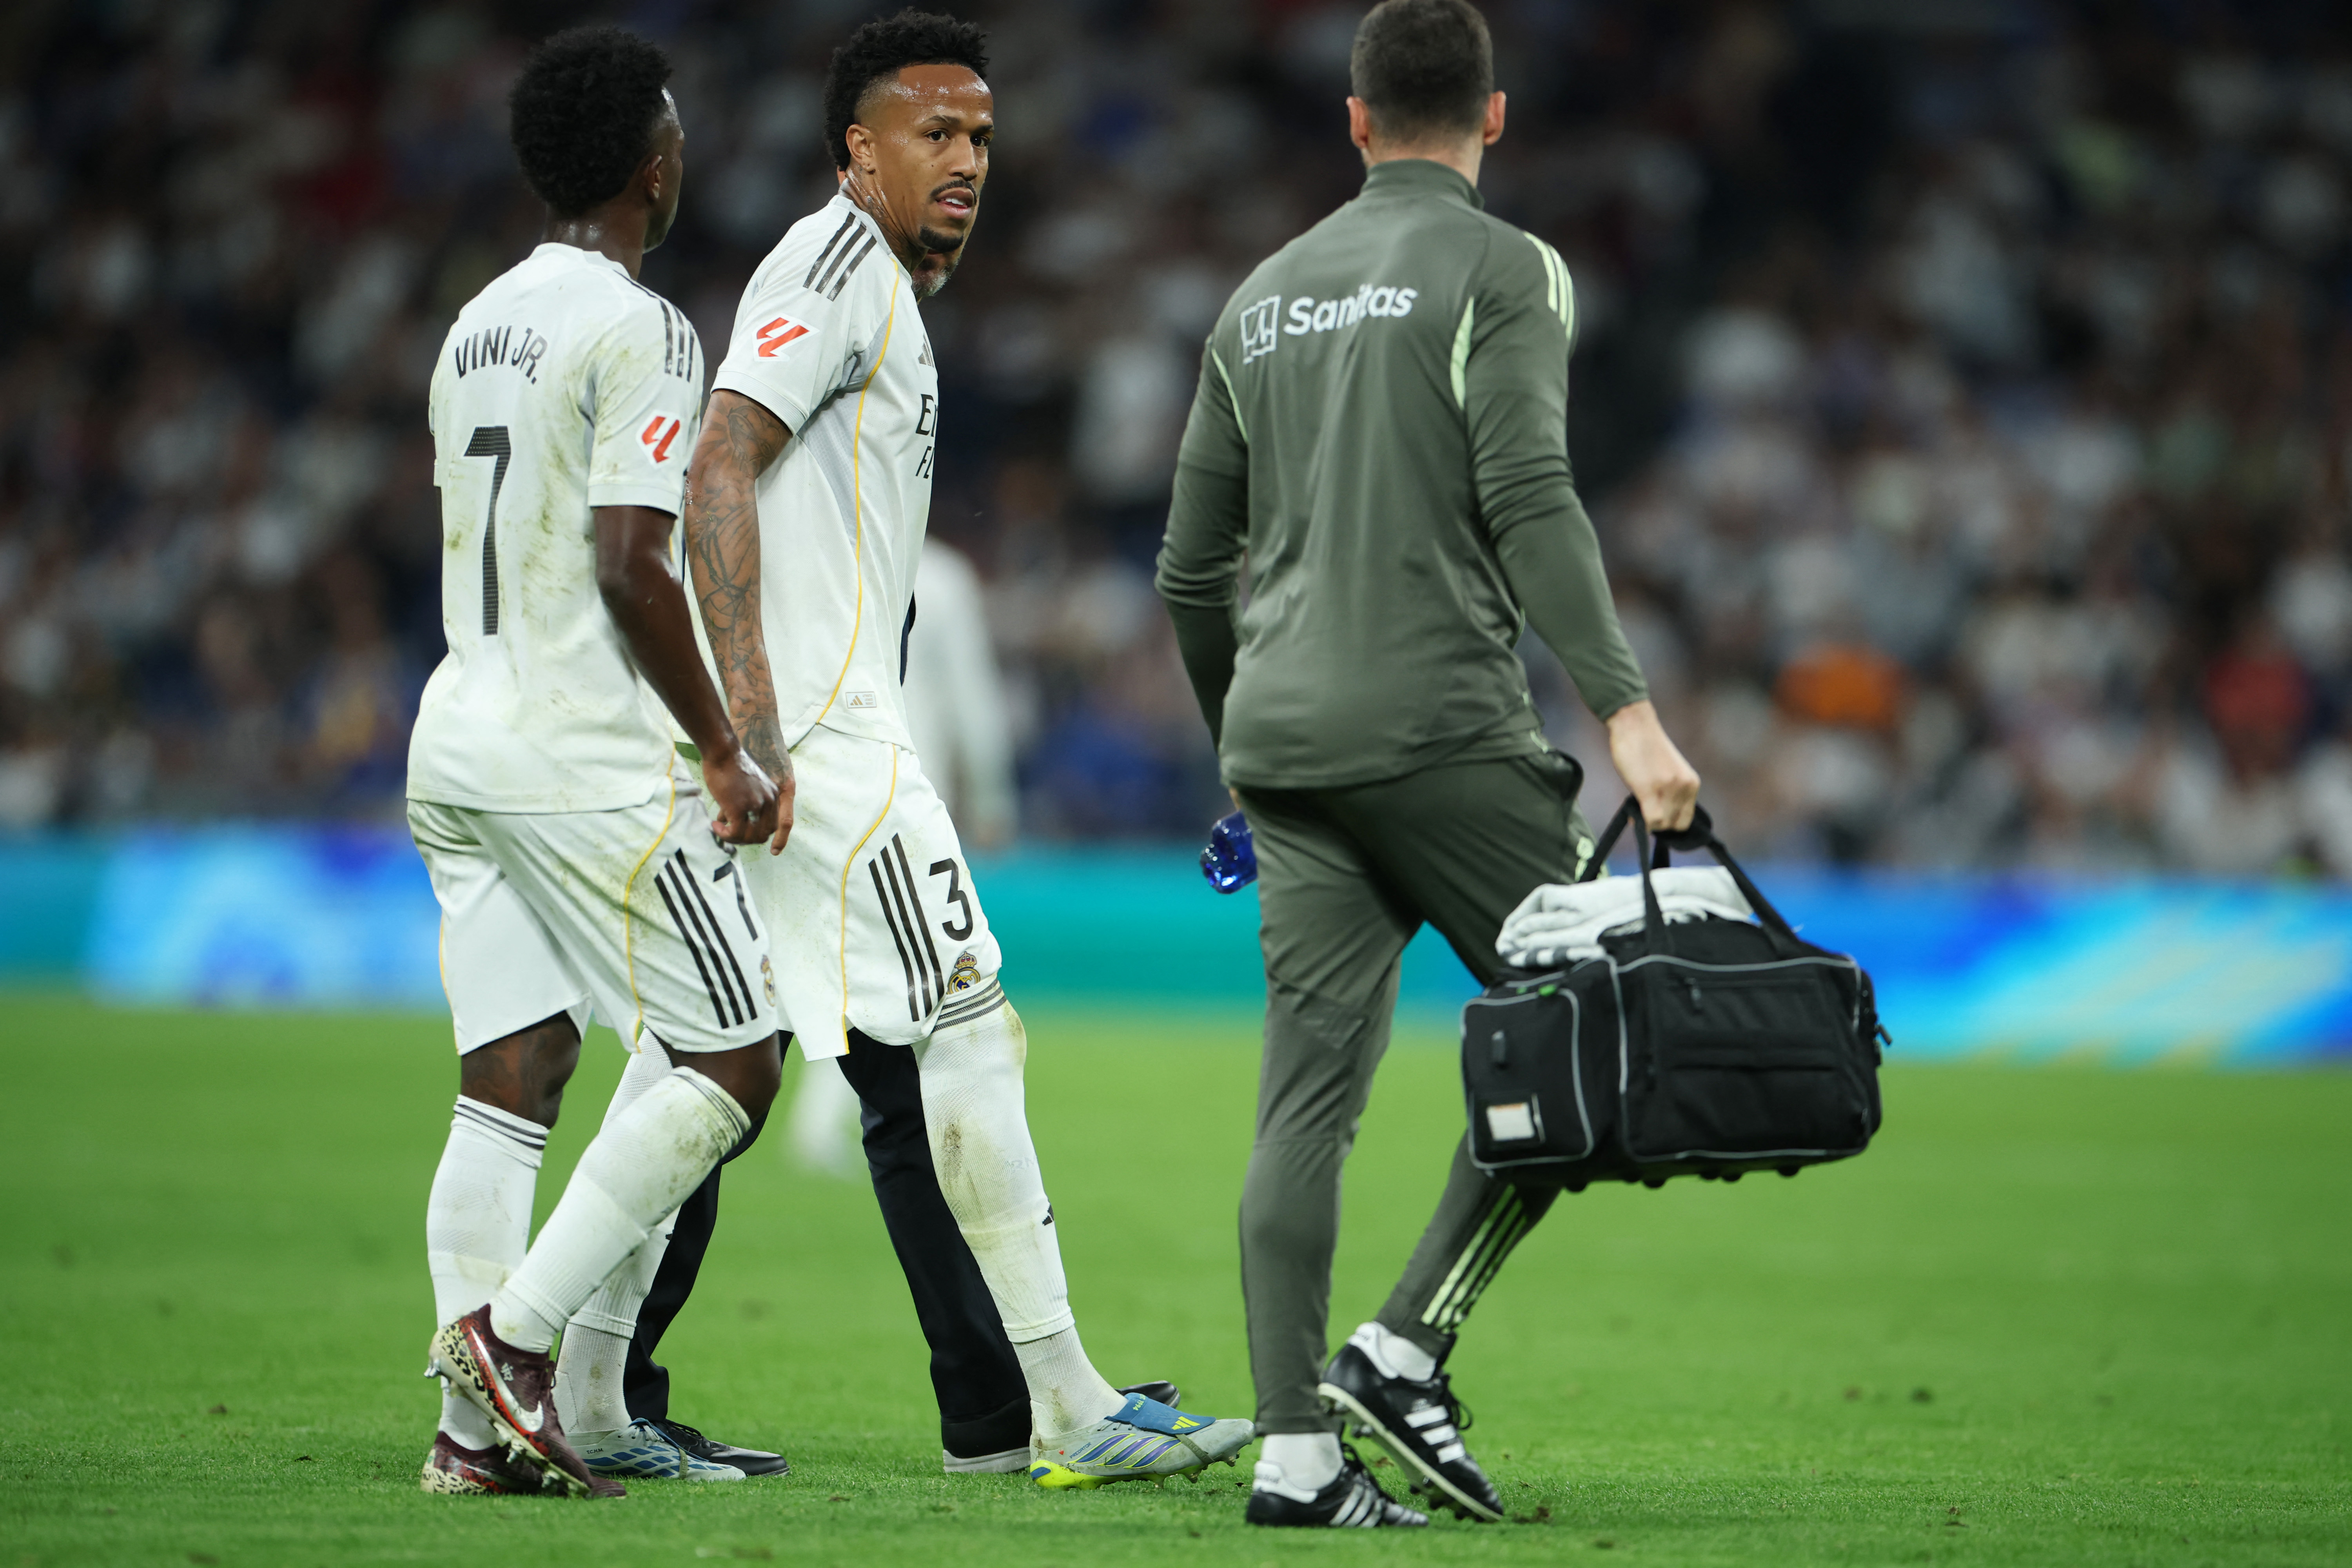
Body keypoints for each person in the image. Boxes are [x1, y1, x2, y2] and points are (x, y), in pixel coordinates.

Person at [679, 8, 1254, 1489]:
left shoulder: (875, 285)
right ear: (856, 148)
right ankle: (1068, 1404)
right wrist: (749, 719)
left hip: (819, 725)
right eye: (935, 134)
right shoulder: (830, 268)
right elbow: (717, 460)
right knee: (970, 1028)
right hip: (823, 737)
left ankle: (984, 1413)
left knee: (836, 1077)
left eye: (983, 137)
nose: (967, 162)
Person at [1154, 0, 1702, 1530]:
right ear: (1495, 117)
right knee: (1608, 1017)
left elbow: (1191, 573)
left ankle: (1291, 1455)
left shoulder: (1258, 299)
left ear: (1352, 121)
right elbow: (1529, 486)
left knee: (1304, 1107)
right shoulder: (1505, 267)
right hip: (1440, 732)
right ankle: (1403, 1344)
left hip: (1287, 747)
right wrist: (1628, 711)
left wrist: (1239, 753)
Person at [406, 26, 789, 1499]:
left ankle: (468, 1444)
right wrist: (723, 747)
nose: (687, 152)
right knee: (733, 1056)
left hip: (460, 734)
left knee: (516, 1070)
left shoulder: (475, 321)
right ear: (651, 163)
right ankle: (510, 1342)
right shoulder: (644, 328)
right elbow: (633, 559)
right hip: (575, 752)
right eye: (679, 133)